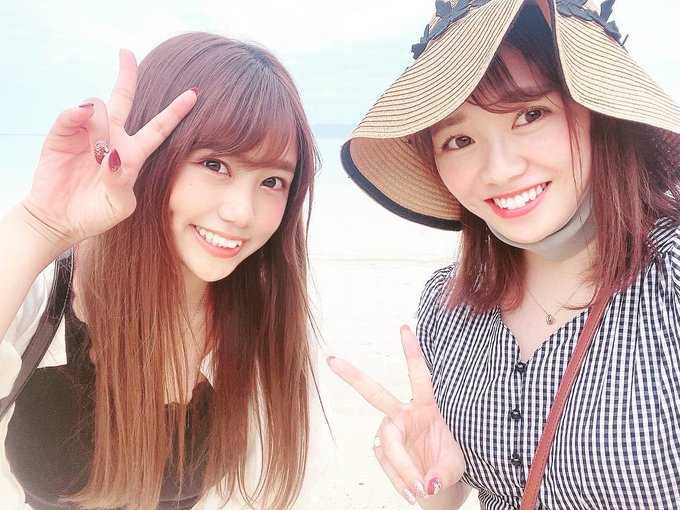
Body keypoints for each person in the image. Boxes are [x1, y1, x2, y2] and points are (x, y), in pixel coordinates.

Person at [328, 0, 680, 508]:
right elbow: (452, 496)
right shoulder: (450, 307)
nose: (498, 170)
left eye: (529, 114)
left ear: (597, 116)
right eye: (459, 139)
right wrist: (430, 473)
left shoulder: (669, 281)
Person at [0, 32, 330, 510]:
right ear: (153, 155)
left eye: (272, 180)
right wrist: (39, 224)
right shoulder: (44, 296)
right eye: (214, 164)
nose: (241, 212)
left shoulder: (271, 323)